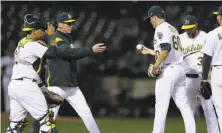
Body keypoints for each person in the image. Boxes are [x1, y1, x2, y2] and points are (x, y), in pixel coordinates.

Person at [138, 5, 196, 133]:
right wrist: (149, 51)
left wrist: (156, 66)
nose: (150, 21)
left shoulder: (160, 28)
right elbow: (168, 51)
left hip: (169, 70)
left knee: (161, 106)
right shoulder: (172, 28)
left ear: (154, 17)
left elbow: (165, 50)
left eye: (150, 18)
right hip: (180, 70)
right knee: (185, 106)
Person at [45, 12, 106, 133]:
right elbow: (68, 53)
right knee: (48, 119)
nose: (70, 26)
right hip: (56, 86)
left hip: (72, 86)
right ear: (60, 24)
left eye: (71, 23)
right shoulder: (55, 37)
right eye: (68, 24)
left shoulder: (68, 38)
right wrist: (90, 50)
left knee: (86, 114)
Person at [6, 13, 59, 133]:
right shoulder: (32, 44)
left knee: (15, 126)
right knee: (48, 124)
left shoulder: (22, 42)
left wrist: (43, 89)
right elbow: (52, 54)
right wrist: (52, 36)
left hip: (15, 86)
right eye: (42, 29)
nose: (45, 31)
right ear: (33, 31)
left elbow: (31, 71)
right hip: (26, 86)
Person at [180, 15, 219, 133]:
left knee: (209, 110)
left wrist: (210, 77)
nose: (188, 30)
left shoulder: (206, 37)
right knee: (189, 111)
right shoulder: (180, 38)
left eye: (190, 27)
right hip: (187, 79)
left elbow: (212, 58)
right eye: (186, 28)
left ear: (196, 25)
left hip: (203, 78)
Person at [201, 5, 222, 131]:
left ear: (220, 17)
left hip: (218, 72)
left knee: (220, 109)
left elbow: (207, 59)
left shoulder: (213, 34)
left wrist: (204, 78)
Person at [1, 40, 16, 113]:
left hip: (15, 79)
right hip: (6, 77)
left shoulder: (17, 58)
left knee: (15, 95)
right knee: (6, 94)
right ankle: (7, 109)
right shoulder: (5, 58)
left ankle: (15, 110)